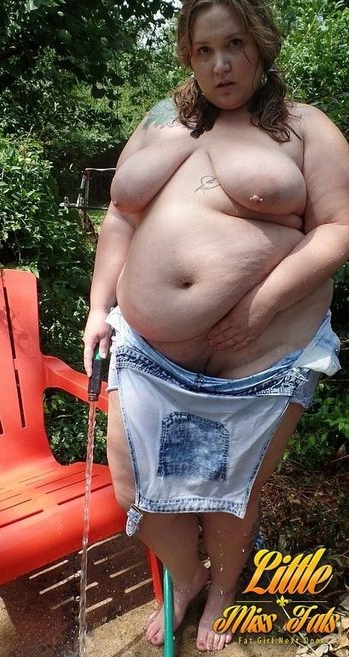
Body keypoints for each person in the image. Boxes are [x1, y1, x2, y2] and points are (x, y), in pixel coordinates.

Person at [83, 0, 349, 651]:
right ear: (188, 56)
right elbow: (120, 216)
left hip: (260, 355)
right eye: (204, 50)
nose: (220, 63)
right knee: (135, 488)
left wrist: (261, 305)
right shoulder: (162, 120)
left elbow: (339, 228)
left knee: (229, 491)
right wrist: (96, 306)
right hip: (150, 352)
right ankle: (189, 575)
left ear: (261, 46)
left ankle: (223, 592)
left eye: (234, 45)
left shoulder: (304, 126)